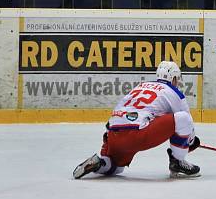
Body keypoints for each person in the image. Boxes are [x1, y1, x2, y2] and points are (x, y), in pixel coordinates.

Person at [73, 60, 201, 179]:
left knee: (115, 167)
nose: (177, 82)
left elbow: (118, 110)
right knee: (183, 118)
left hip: (113, 133)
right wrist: (189, 142)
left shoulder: (140, 86)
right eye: (176, 79)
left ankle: (99, 163)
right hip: (137, 135)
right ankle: (177, 161)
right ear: (173, 78)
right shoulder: (174, 92)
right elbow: (186, 123)